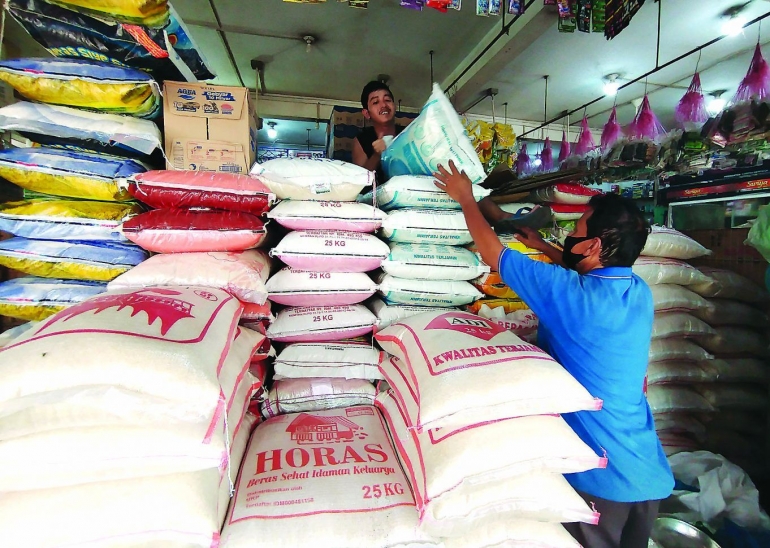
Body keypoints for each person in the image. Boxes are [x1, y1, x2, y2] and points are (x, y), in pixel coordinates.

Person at [434, 160, 674, 548]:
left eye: (576, 230)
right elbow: (589, 270)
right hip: (648, 472)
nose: (570, 236)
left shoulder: (570, 297)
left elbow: (494, 254)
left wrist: (465, 198)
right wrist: (542, 245)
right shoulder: (638, 291)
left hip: (601, 477)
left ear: (595, 245)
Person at [352, 81, 404, 184]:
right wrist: (376, 156)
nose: (383, 105)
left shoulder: (407, 133)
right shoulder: (362, 140)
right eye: (376, 102)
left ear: (394, 106)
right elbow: (359, 182)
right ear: (366, 113)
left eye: (387, 100)